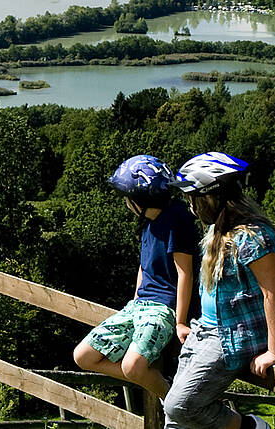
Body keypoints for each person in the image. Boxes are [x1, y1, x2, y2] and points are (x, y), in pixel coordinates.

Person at [161, 152, 275, 429]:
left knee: (180, 406)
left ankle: (251, 427)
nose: (190, 206)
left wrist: (274, 351)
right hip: (205, 330)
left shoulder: (252, 237)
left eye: (191, 198)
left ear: (210, 197)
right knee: (172, 417)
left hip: (232, 337)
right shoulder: (218, 230)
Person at [72, 155, 199, 397]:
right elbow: (144, 266)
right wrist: (134, 301)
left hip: (164, 308)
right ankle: (157, 380)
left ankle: (176, 405)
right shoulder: (148, 222)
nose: (126, 202)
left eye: (127, 197)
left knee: (133, 366)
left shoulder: (177, 219)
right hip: (139, 305)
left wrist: (181, 322)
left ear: (141, 198)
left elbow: (185, 273)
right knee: (83, 355)